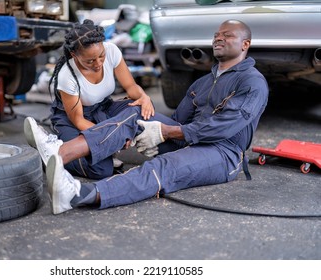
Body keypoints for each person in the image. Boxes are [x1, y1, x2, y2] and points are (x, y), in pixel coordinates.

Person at [25, 19, 269, 215]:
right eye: (217, 34)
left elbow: (222, 128)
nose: (219, 37)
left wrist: (164, 133)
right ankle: (58, 152)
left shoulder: (252, 82)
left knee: (164, 167)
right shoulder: (203, 82)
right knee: (136, 114)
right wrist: (150, 130)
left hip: (223, 152)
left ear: (245, 44)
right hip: (190, 138)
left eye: (228, 35)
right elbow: (176, 121)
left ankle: (76, 195)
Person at [25, 19, 154, 179]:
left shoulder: (112, 51)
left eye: (101, 56)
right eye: (90, 61)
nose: (98, 63)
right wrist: (114, 135)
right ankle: (54, 150)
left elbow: (131, 87)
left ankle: (94, 148)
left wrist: (144, 97)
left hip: (102, 109)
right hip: (72, 120)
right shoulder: (67, 76)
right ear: (74, 55)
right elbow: (78, 120)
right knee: (102, 170)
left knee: (139, 109)